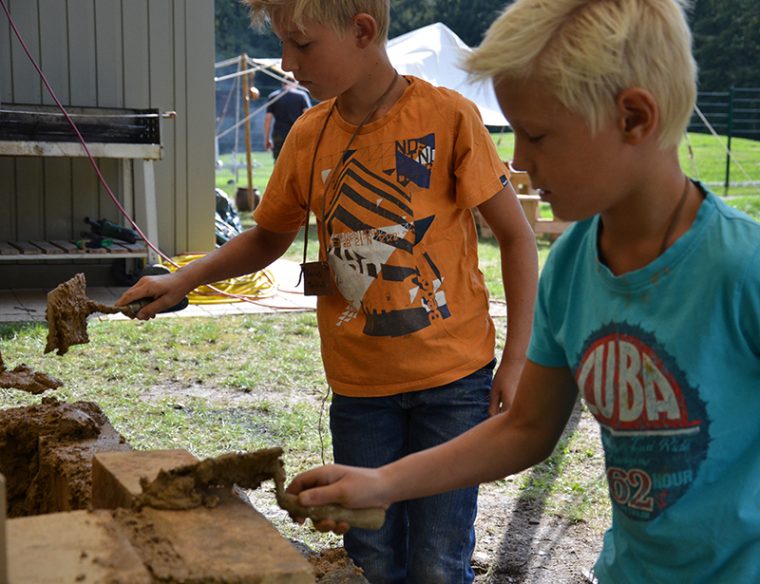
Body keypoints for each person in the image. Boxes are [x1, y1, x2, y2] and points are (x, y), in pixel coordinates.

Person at [285, 0, 760, 582]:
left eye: (536, 135)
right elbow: (526, 428)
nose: (519, 162)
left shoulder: (743, 271)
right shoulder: (571, 269)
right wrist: (383, 483)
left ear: (633, 118)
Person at [116, 0, 538, 582]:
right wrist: (182, 276)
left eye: (303, 45)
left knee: (439, 559)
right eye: (285, 45)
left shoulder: (449, 117)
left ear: (363, 31)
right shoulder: (309, 133)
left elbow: (517, 238)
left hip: (455, 383)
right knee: (370, 555)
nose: (288, 63)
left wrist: (516, 360)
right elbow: (267, 238)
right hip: (360, 391)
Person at [263, 73, 311, 160]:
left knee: (279, 163)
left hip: (278, 134)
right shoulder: (301, 96)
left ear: (283, 83)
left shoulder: (273, 96)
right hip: (296, 134)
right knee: (297, 162)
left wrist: (266, 139)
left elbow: (268, 119)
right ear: (295, 83)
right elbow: (308, 116)